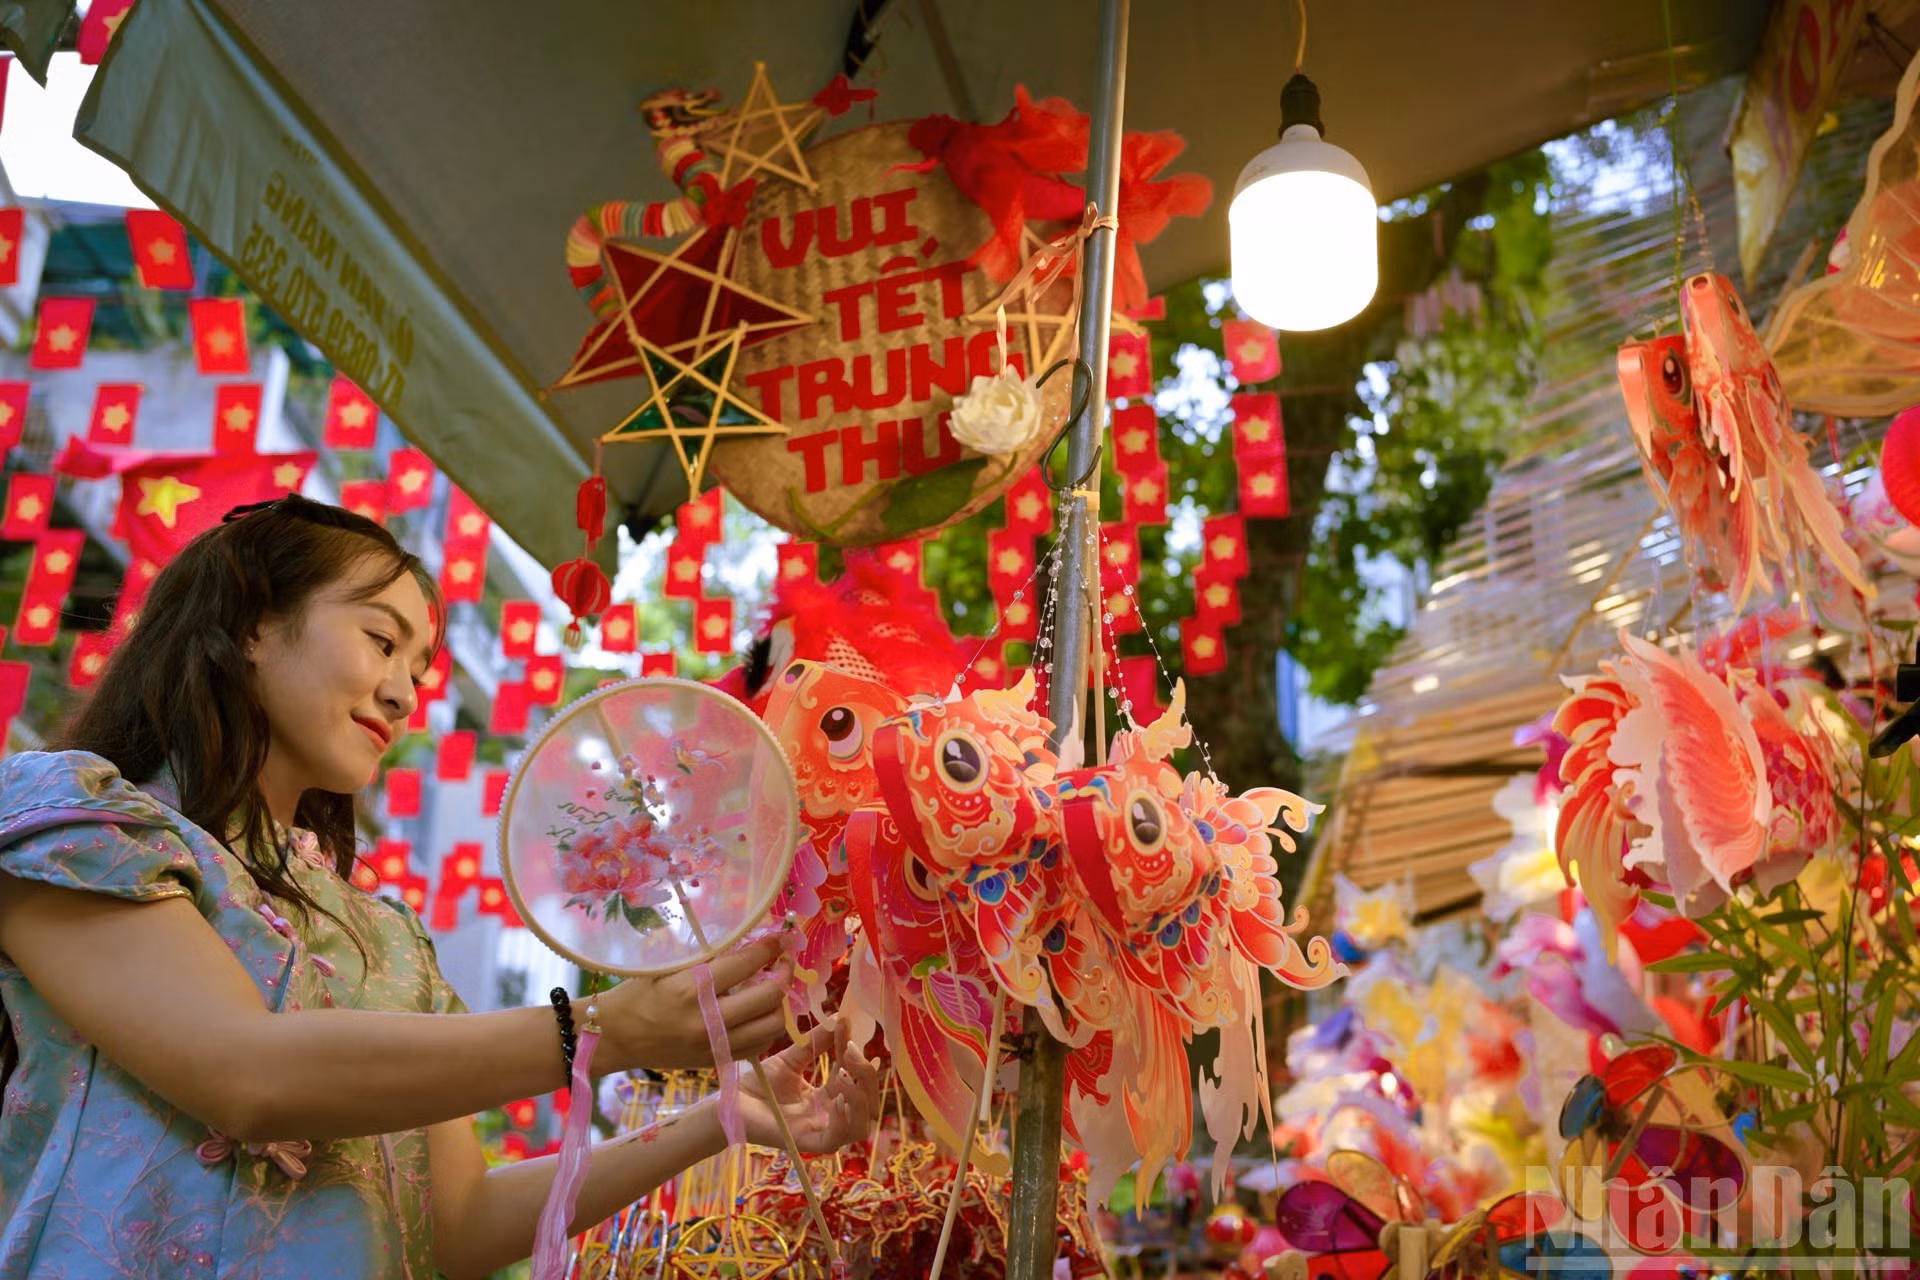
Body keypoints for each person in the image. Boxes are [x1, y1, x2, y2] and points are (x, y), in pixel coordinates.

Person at [0, 496, 877, 1278]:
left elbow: (453, 1226)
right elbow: (245, 1072)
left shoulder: (388, 938)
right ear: (251, 624)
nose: (405, 692)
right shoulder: (80, 824)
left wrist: (717, 1118)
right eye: (383, 641)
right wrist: (596, 1035)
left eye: (419, 670)